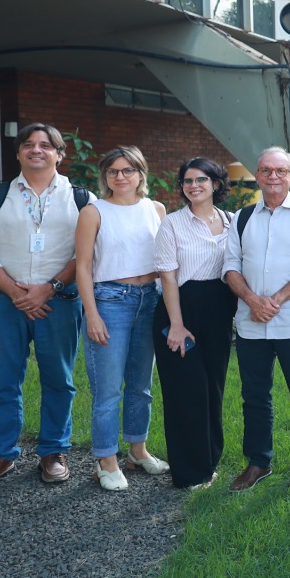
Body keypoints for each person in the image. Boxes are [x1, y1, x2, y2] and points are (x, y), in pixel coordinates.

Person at [0, 123, 88, 492]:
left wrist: (48, 289)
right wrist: (20, 295)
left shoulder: (82, 199)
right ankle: (0, 456)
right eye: (28, 144)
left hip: (59, 302)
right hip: (3, 303)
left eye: (46, 145)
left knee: (59, 381)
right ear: (17, 153)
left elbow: (86, 255)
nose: (36, 150)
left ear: (59, 154)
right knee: (3, 382)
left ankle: (53, 452)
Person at [223, 147, 290, 492]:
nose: (273, 176)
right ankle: (258, 462)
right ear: (257, 175)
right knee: (254, 396)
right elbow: (230, 266)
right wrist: (253, 300)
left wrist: (275, 300)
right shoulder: (241, 218)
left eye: (281, 171)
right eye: (266, 170)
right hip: (251, 322)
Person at [75, 146, 169, 491]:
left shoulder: (156, 209)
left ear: (141, 174)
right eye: (113, 171)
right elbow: (83, 267)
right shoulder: (93, 212)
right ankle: (106, 460)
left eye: (128, 170)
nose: (120, 176)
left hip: (150, 300)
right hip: (110, 301)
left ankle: (137, 450)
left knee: (141, 385)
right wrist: (92, 314)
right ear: (105, 176)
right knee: (108, 389)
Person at [153, 157, 238, 490]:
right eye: (187, 181)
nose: (193, 186)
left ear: (215, 184)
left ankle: (209, 463)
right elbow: (168, 277)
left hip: (219, 313)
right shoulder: (172, 224)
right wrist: (176, 325)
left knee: (213, 388)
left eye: (201, 179)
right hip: (180, 311)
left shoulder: (232, 221)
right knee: (187, 391)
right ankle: (189, 474)